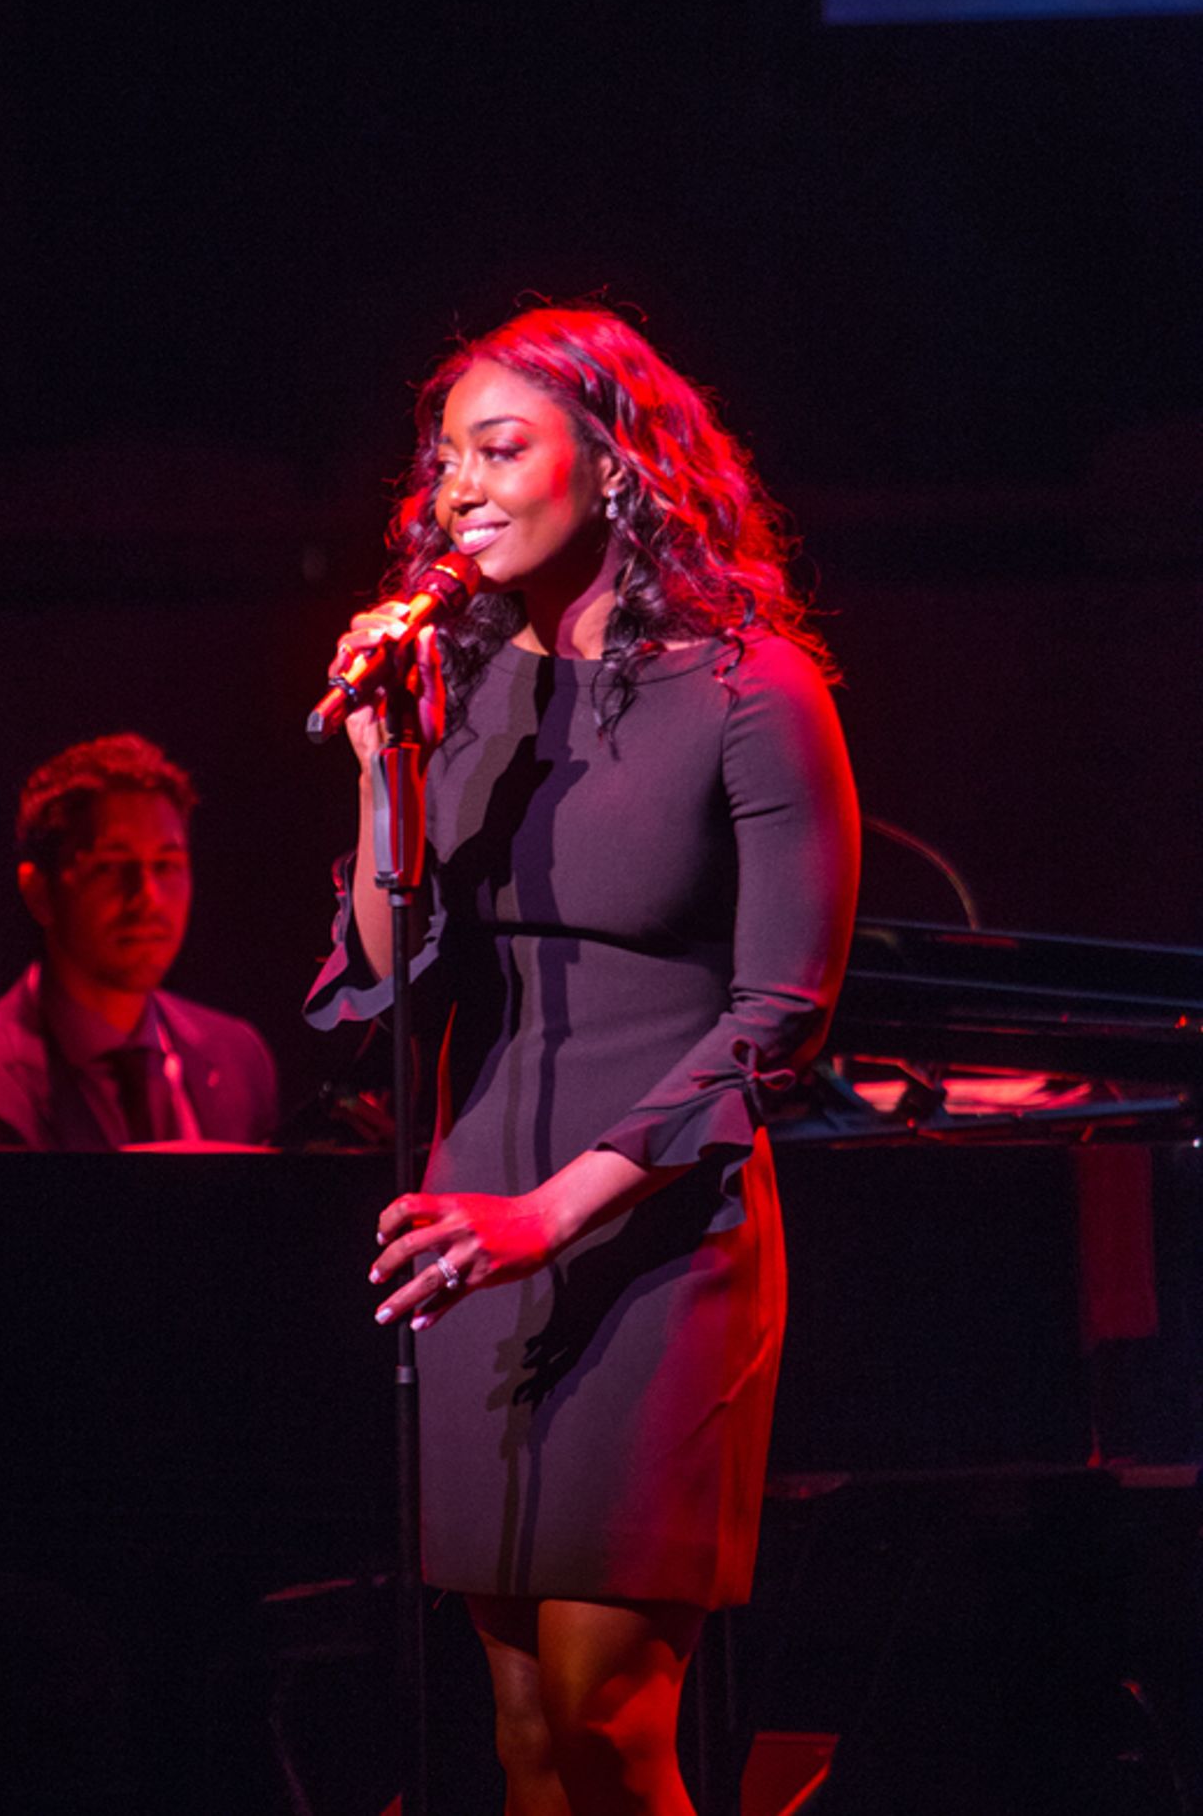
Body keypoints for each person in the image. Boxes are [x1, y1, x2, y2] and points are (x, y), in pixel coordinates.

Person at [306, 305, 860, 1814]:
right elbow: (384, 972)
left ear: (616, 468)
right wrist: (383, 781)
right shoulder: (467, 693)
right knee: (524, 1741)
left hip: (655, 1230)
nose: (456, 490)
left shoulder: (754, 692)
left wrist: (554, 1211)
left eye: (500, 449)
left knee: (609, 1718)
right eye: (443, 463)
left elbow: (782, 1018)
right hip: (472, 1216)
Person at [0, 734, 280, 1328]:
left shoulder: (237, 1055)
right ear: (39, 891)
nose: (146, 898)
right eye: (110, 868)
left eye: (167, 865)